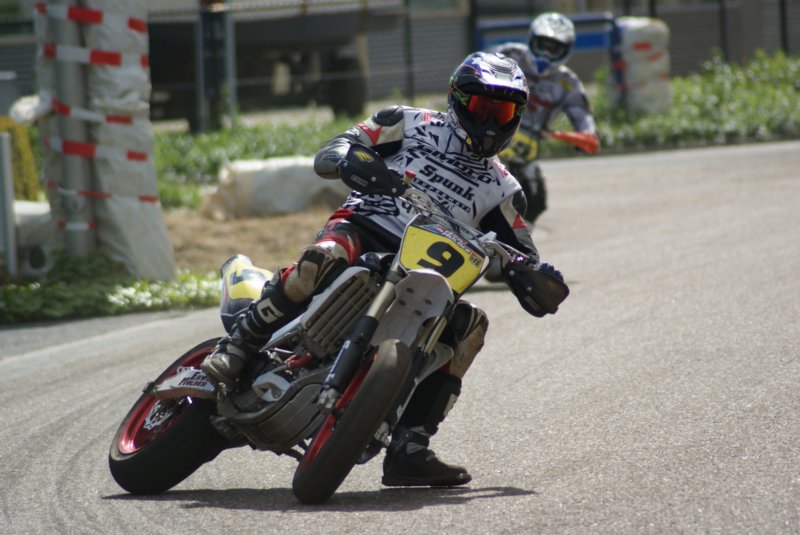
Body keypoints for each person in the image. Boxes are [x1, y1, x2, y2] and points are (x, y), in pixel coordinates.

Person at [202, 51, 568, 488]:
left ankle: (410, 446)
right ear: (458, 100)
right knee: (325, 257)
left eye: (502, 112)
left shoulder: (505, 188)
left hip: (430, 275)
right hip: (365, 229)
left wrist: (531, 274)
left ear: (517, 117)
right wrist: (352, 159)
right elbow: (337, 147)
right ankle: (241, 342)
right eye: (482, 107)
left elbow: (523, 250)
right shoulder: (407, 122)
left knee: (472, 326)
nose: (490, 121)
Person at [490, 12, 600, 225]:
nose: (546, 54)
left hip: (525, 150)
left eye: (554, 49)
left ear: (566, 50)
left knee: (535, 201)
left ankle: (517, 240)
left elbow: (582, 113)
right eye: (543, 45)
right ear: (532, 40)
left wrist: (587, 134)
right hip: (489, 132)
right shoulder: (507, 54)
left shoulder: (567, 81)